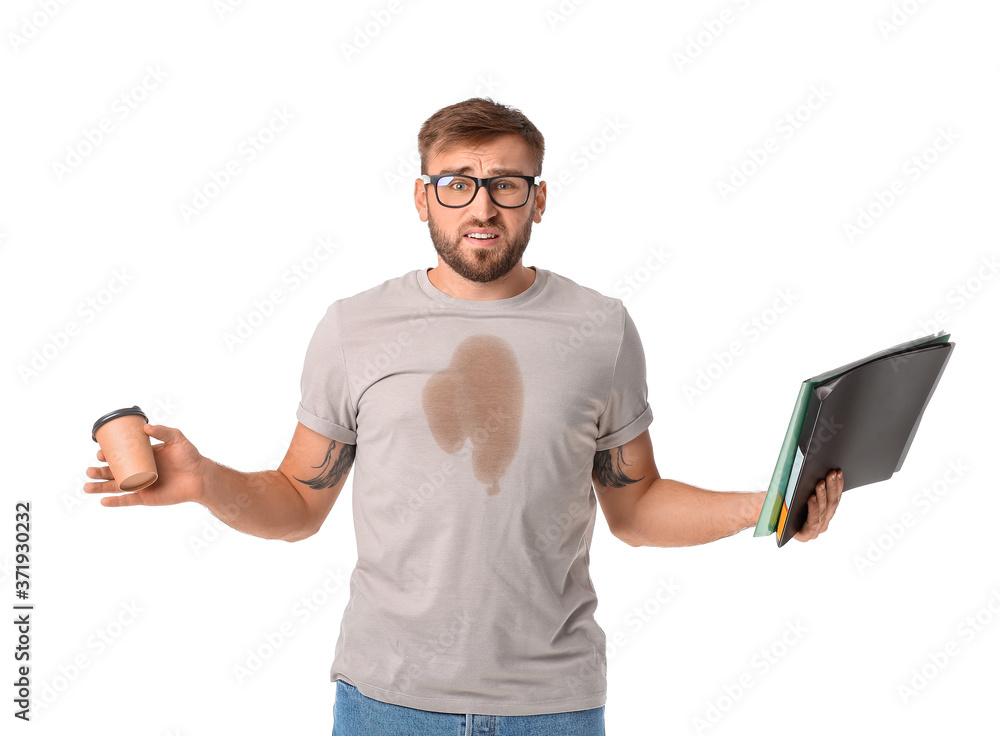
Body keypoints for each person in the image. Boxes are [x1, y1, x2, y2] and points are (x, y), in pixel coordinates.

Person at [85, 98, 844, 736]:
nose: (481, 206)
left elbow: (637, 507)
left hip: (552, 706)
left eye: (506, 184)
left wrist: (766, 505)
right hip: (386, 702)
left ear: (538, 199)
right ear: (422, 197)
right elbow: (297, 504)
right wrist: (205, 481)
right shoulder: (355, 327)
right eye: (457, 183)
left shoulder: (601, 328)